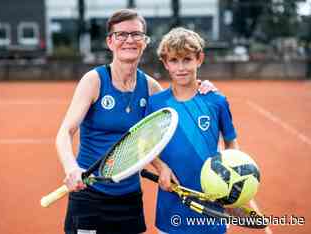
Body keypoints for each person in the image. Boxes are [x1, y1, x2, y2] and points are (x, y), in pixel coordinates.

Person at [56, 9, 216, 234]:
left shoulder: (150, 87)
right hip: (90, 195)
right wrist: (71, 167)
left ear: (145, 42)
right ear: (110, 42)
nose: (129, 40)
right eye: (121, 35)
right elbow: (65, 131)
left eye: (136, 34)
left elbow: (159, 132)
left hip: (129, 198)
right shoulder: (94, 81)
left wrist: (202, 88)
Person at [147, 27, 239, 234]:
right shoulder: (156, 104)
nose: (181, 67)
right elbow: (146, 146)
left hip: (212, 204)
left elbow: (231, 144)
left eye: (187, 59)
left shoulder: (216, 100)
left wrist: (234, 183)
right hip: (172, 206)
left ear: (199, 59)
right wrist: (161, 167)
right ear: (165, 63)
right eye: (174, 60)